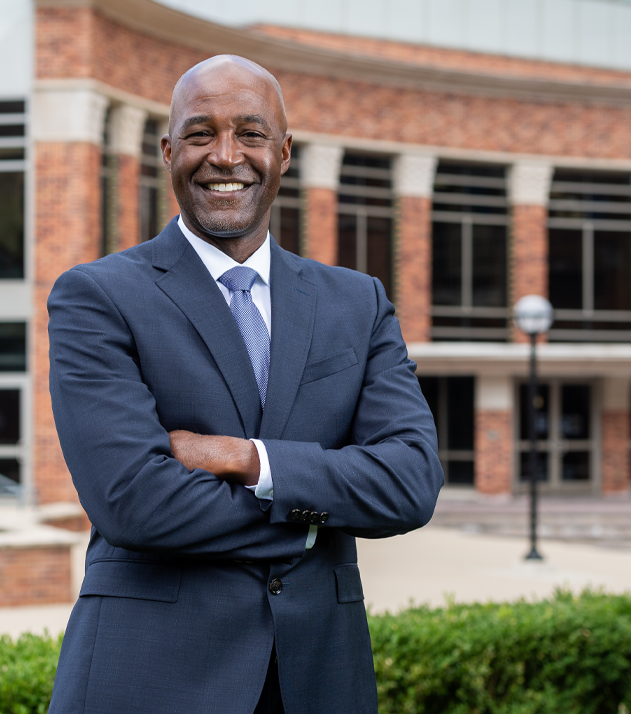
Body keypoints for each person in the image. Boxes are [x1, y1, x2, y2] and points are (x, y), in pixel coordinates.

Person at [46, 55, 443, 714]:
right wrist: (316, 516)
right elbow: (135, 502)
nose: (225, 155)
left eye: (250, 133)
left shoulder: (358, 304)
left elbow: (408, 482)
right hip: (147, 681)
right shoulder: (96, 297)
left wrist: (249, 460)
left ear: (283, 153)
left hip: (320, 680)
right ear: (167, 150)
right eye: (200, 133)